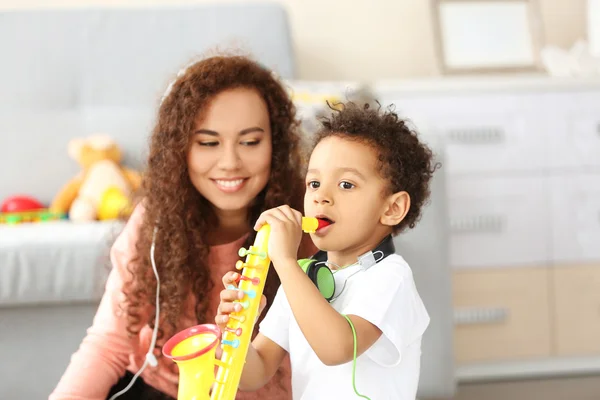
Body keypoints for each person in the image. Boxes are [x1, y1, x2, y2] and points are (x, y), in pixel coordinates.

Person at [50, 54, 316, 400]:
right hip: (161, 390)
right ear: (180, 149)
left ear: (275, 145)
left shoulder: (308, 221)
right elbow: (109, 345)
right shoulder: (156, 219)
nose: (230, 163)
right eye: (207, 143)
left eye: (250, 142)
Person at [216, 101, 439, 399]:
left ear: (392, 208)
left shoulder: (391, 278)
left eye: (346, 184)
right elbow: (255, 375)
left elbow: (337, 348)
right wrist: (236, 331)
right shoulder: (302, 278)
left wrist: (284, 261)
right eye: (314, 183)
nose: (321, 196)